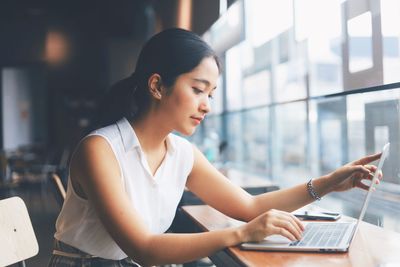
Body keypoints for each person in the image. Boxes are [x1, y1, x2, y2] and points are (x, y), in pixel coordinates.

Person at [48, 28, 382, 267]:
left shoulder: (181, 154)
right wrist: (241, 234)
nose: (207, 105)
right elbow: (144, 249)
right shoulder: (100, 150)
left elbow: (250, 205)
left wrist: (328, 183)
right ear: (156, 86)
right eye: (198, 89)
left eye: (211, 94)